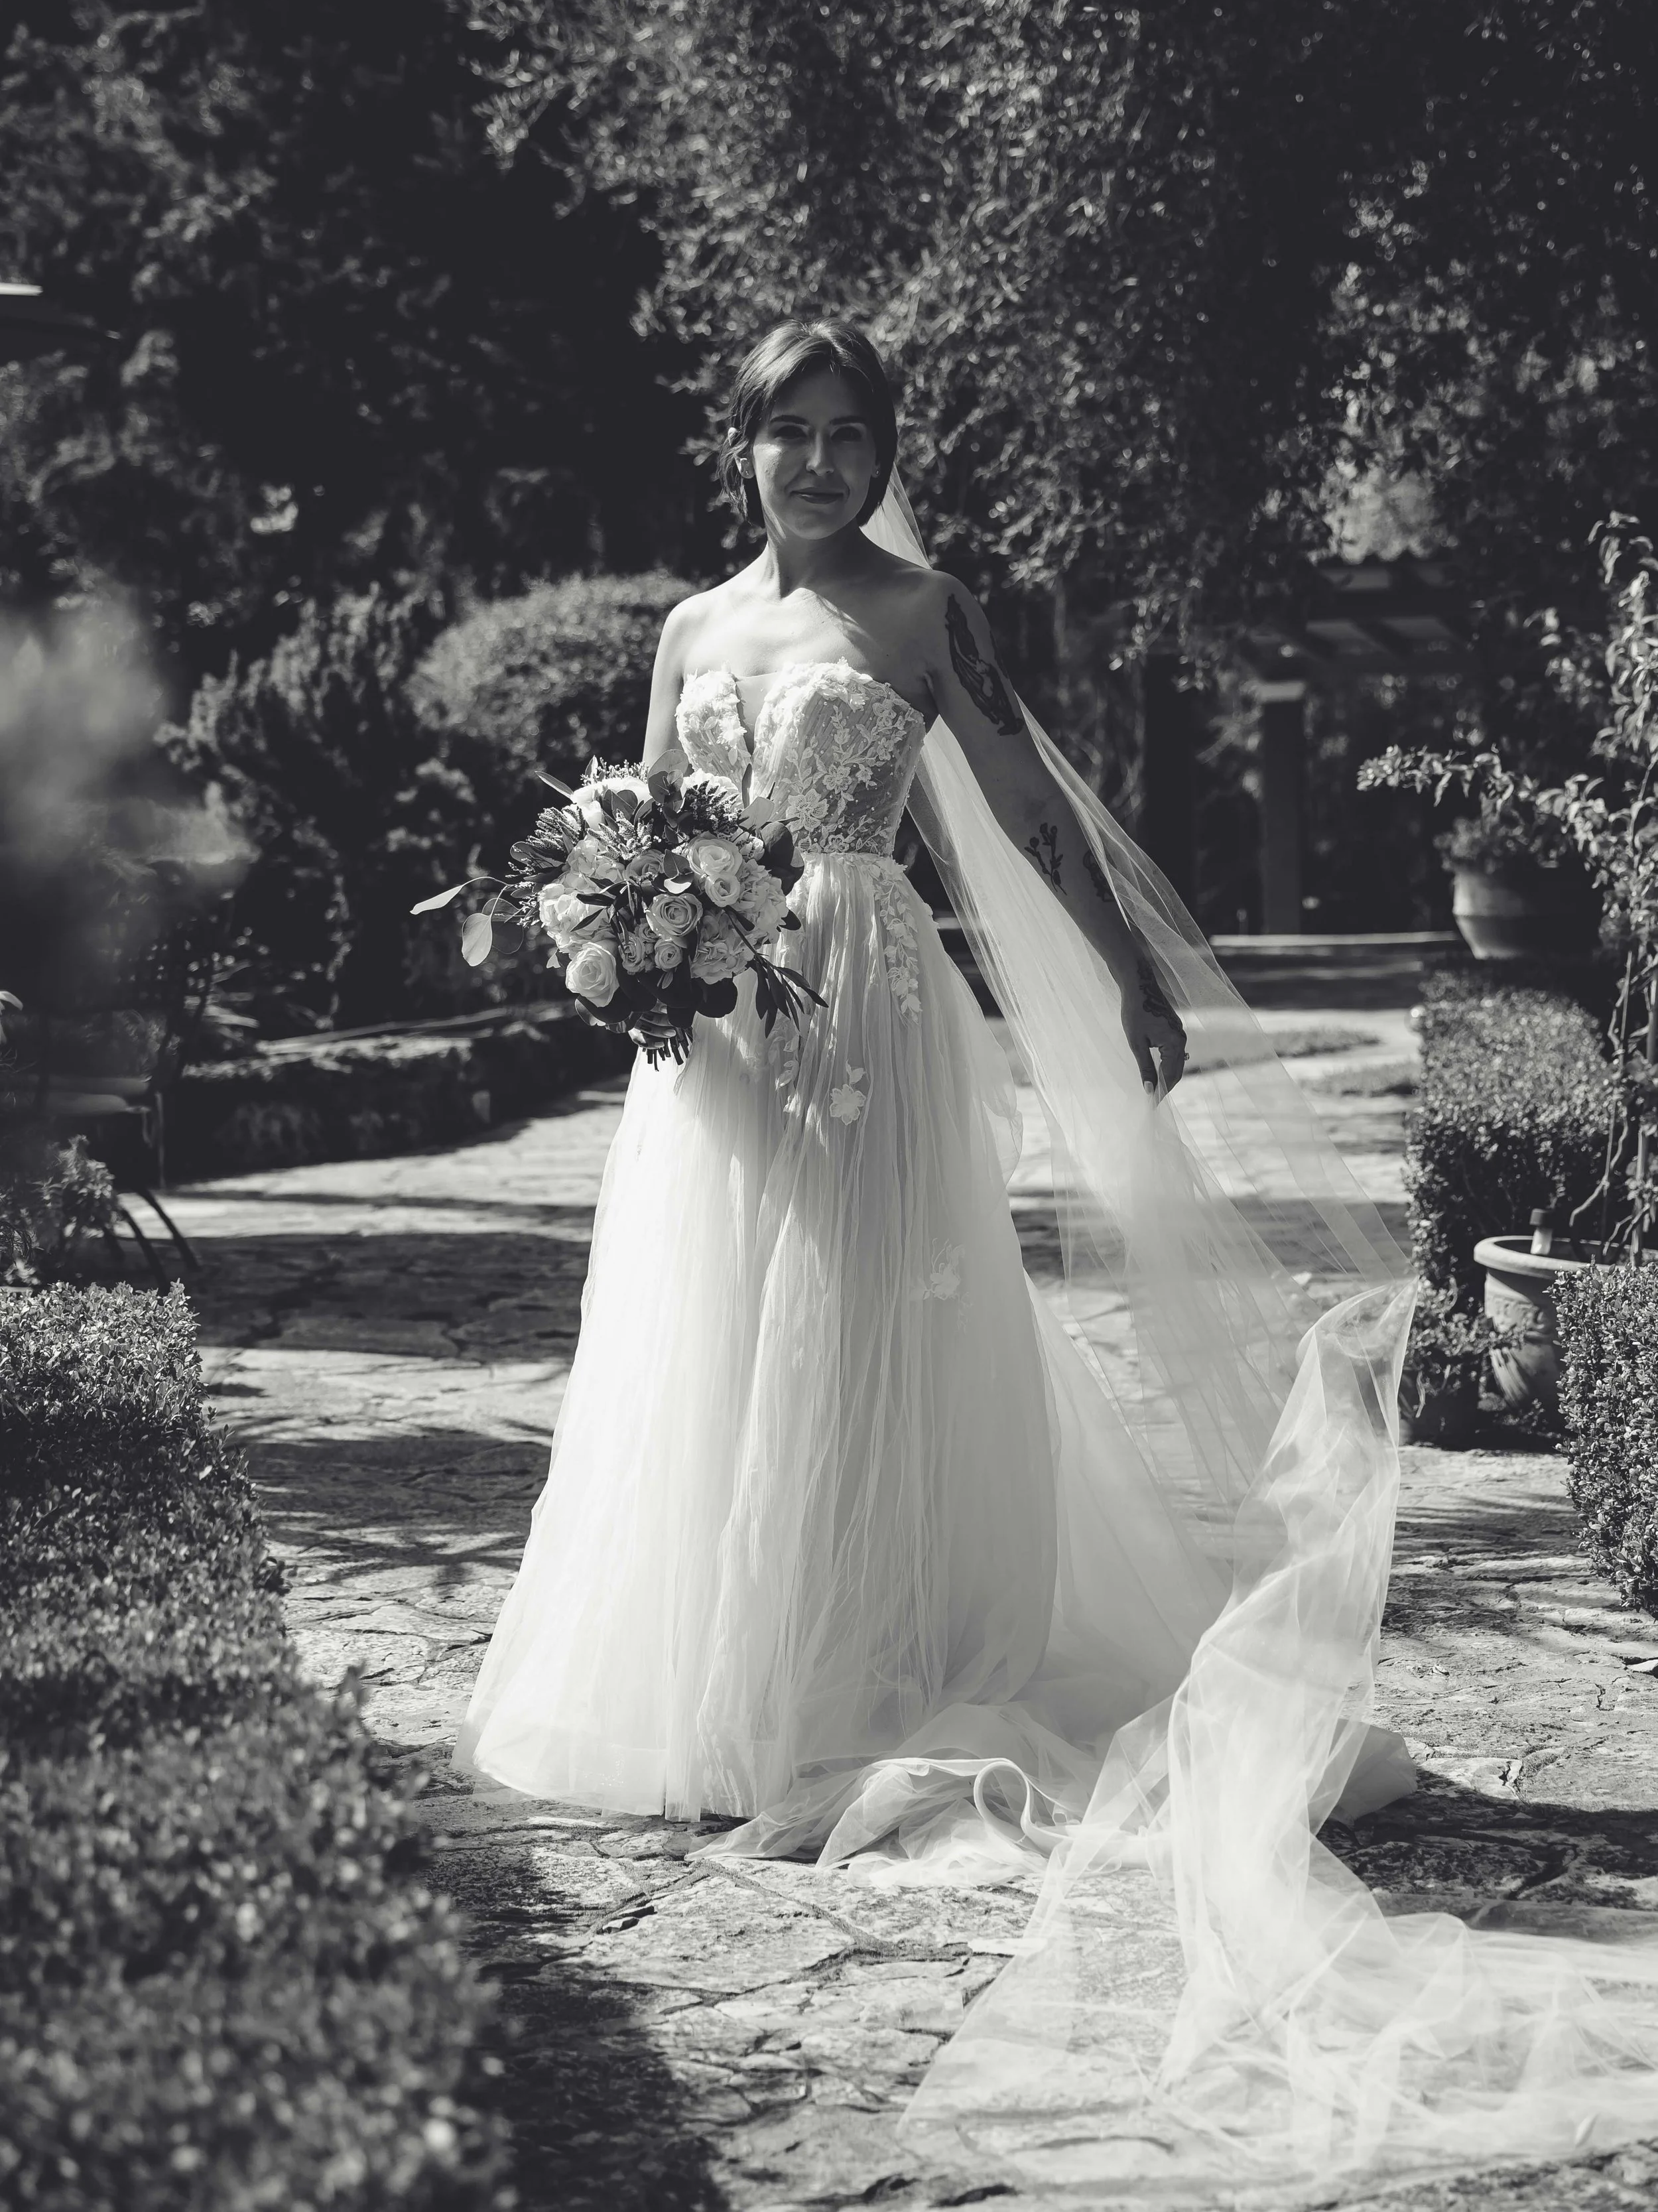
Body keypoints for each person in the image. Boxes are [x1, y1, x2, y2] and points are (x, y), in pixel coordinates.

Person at [459, 320, 1658, 2197]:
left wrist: (1115, 974)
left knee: (860, 1332)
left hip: (871, 1004)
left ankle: (848, 1677)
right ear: (741, 444)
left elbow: (1024, 799)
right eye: (790, 431)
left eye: (851, 433)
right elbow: (644, 824)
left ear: (882, 452)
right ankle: (713, 1682)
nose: (820, 463)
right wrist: (623, 933)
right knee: (715, 1334)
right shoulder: (689, 631)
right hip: (718, 1039)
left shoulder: (922, 614)